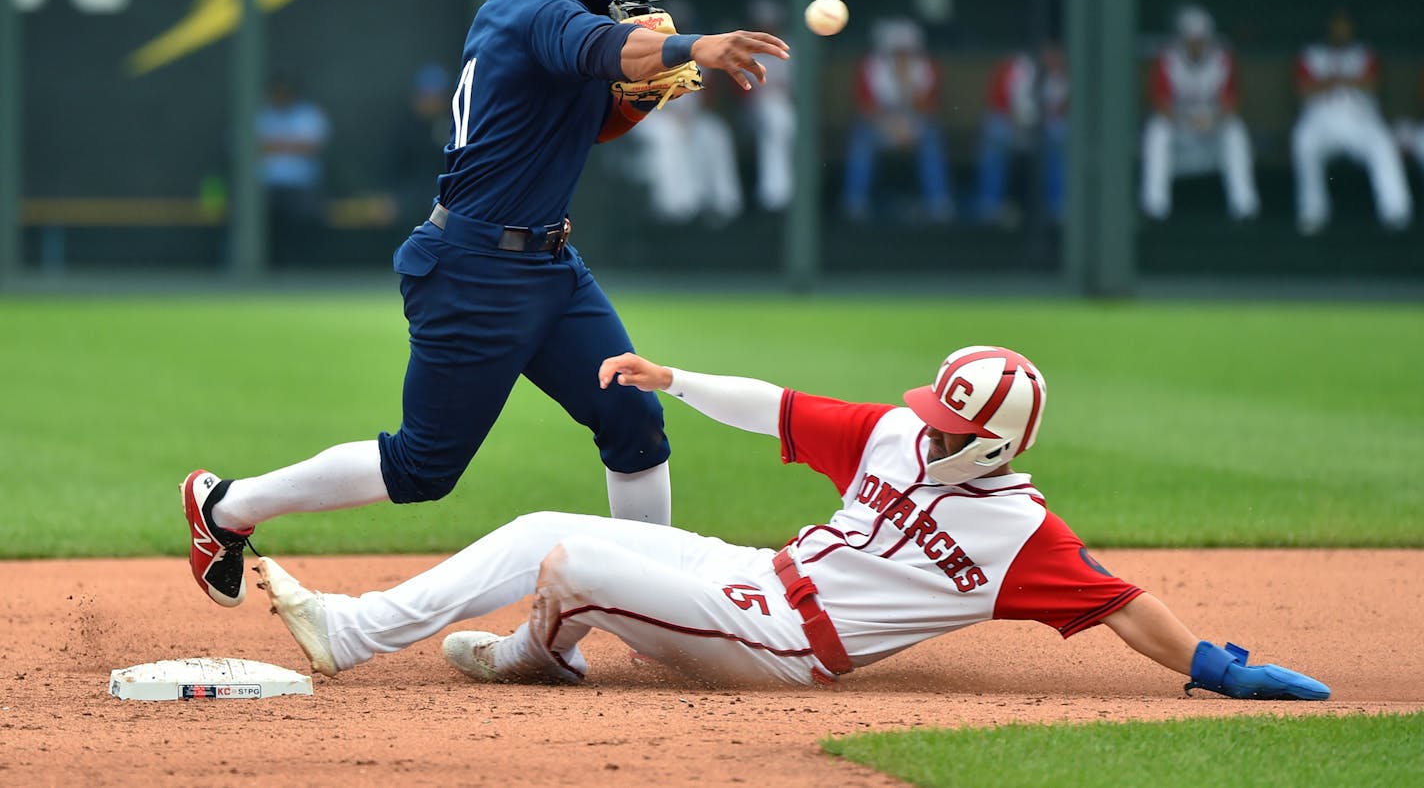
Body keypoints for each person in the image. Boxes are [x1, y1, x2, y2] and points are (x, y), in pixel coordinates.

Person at [181, 0, 789, 608]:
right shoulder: (535, 13)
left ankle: (652, 600)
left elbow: (587, 123)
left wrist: (635, 102)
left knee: (632, 414)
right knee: (422, 468)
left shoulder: (544, 11)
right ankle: (226, 507)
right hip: (475, 270)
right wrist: (691, 45)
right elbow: (604, 49)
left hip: (550, 268)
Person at [253, 345, 1329, 702]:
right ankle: (362, 631)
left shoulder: (1019, 531)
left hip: (780, 647)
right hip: (755, 574)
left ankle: (540, 648)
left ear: (994, 442)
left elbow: (1122, 601)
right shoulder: (899, 436)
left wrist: (1220, 671)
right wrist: (669, 376)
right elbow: (772, 404)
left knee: (573, 558)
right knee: (541, 518)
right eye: (936, 408)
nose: (929, 424)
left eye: (953, 421)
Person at [1291, 10, 1412, 235]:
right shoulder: (1311, 54)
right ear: (1328, 27)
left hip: (1359, 118)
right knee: (1303, 141)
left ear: (1352, 28)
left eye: (1344, 26)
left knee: (1383, 144)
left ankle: (1395, 211)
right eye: (1336, 25)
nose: (1340, 31)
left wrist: (1335, 79)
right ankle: (1312, 212)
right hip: (1320, 118)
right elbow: (1303, 89)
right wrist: (1341, 80)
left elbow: (1374, 83)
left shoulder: (1365, 53)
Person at [1139, 5, 1259, 223]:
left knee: (1235, 131)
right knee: (1157, 131)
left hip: (1212, 126)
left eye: (1201, 39)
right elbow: (1159, 102)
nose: (1197, 44)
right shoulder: (1168, 58)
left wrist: (1213, 118)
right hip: (1180, 128)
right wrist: (1184, 119)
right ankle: (1155, 206)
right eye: (1192, 39)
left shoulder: (1222, 58)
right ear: (1182, 38)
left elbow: (1231, 103)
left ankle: (1244, 205)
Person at [841, 19, 952, 223]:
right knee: (861, 138)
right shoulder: (871, 66)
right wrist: (890, 124)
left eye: (906, 51)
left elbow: (929, 105)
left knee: (932, 137)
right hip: (880, 125)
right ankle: (855, 202)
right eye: (897, 51)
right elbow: (865, 105)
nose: (902, 55)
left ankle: (938, 204)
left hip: (915, 124)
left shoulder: (926, 66)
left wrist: (906, 83)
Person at [972, 42, 1069, 227]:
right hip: (1012, 127)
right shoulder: (1015, 67)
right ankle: (989, 206)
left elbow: (1062, 110)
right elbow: (997, 102)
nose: (1052, 56)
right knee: (994, 134)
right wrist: (1016, 119)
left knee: (1060, 136)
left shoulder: (1063, 72)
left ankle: (1058, 206)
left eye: (1057, 53)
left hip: (1044, 130)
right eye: (1049, 52)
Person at [633, 80, 744, 227]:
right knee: (670, 134)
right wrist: (669, 112)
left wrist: (688, 112)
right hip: (643, 117)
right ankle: (674, 206)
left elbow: (701, 92)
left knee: (715, 131)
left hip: (688, 115)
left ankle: (723, 202)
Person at [257, 73, 332, 256]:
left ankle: (304, 264)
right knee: (255, 212)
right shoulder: (258, 115)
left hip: (303, 186)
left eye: (286, 92)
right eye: (278, 92)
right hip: (263, 186)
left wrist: (272, 144)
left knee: (307, 214)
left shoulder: (309, 114)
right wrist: (292, 144)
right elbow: (246, 146)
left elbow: (311, 146)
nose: (282, 96)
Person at [741, 0, 796, 213]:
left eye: (771, 24)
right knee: (775, 119)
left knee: (781, 121)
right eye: (762, 25)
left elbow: (802, 92)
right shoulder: (743, 48)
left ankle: (779, 192)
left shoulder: (792, 48)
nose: (767, 29)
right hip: (752, 113)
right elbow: (742, 93)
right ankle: (776, 194)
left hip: (788, 112)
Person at [386, 63, 452, 228]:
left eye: (436, 96)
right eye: (426, 95)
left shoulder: (453, 127)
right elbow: (394, 169)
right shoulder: (403, 129)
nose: (431, 101)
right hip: (406, 203)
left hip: (444, 203)